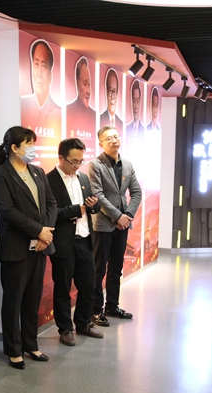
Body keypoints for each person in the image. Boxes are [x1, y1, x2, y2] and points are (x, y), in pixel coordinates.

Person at [0, 126, 57, 369]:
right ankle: (13, 349)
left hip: (40, 246)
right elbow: (7, 211)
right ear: (14, 148)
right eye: (28, 144)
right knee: (13, 301)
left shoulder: (37, 172)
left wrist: (45, 233)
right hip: (15, 248)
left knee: (32, 298)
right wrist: (38, 231)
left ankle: (31, 344)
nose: (33, 148)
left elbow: (51, 203)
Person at [46, 138, 104, 346]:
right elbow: (49, 214)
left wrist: (94, 205)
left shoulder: (83, 178)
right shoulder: (49, 180)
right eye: (73, 161)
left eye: (81, 161)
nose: (77, 165)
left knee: (89, 285)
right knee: (63, 288)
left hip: (85, 239)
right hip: (63, 243)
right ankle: (65, 328)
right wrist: (75, 210)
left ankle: (83, 322)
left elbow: (92, 207)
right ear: (61, 158)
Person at [88, 125, 142, 326]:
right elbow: (97, 195)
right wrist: (117, 216)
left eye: (116, 137)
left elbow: (136, 192)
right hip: (103, 224)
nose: (114, 140)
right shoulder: (95, 165)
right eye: (108, 138)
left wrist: (127, 215)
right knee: (98, 269)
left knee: (116, 268)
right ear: (101, 143)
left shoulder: (127, 164)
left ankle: (112, 305)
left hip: (122, 225)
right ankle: (95, 310)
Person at [20, 39, 61, 139]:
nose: (39, 74)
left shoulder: (59, 113)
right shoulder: (21, 105)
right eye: (36, 64)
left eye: (44, 66)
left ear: (50, 75)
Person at [65, 57, 96, 144]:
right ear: (77, 84)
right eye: (85, 84)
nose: (88, 91)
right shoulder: (67, 111)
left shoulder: (95, 116)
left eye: (89, 85)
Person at [99, 68, 123, 133]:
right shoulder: (99, 119)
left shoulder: (121, 123)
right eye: (110, 91)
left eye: (114, 91)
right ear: (106, 92)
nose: (112, 97)